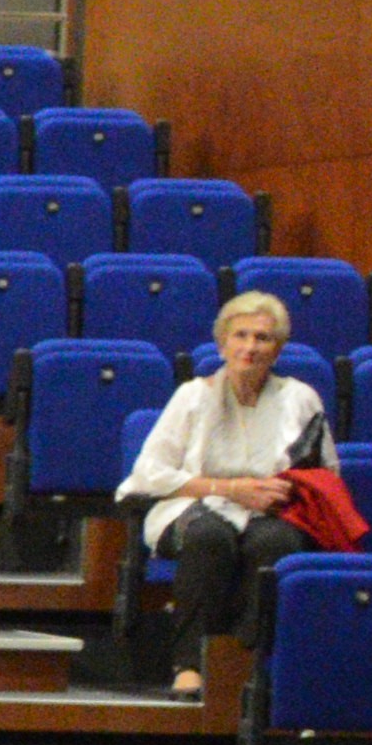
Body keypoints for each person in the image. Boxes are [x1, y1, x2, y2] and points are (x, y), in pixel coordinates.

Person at [115, 285, 333, 680]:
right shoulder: (192, 396)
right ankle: (190, 664)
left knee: (277, 543)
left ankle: (242, 664)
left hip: (272, 511)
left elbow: (325, 475)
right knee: (210, 538)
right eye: (241, 335)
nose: (251, 346)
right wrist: (228, 489)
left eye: (263, 338)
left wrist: (284, 492)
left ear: (278, 350)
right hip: (192, 504)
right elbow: (149, 473)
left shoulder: (301, 398)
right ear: (222, 344)